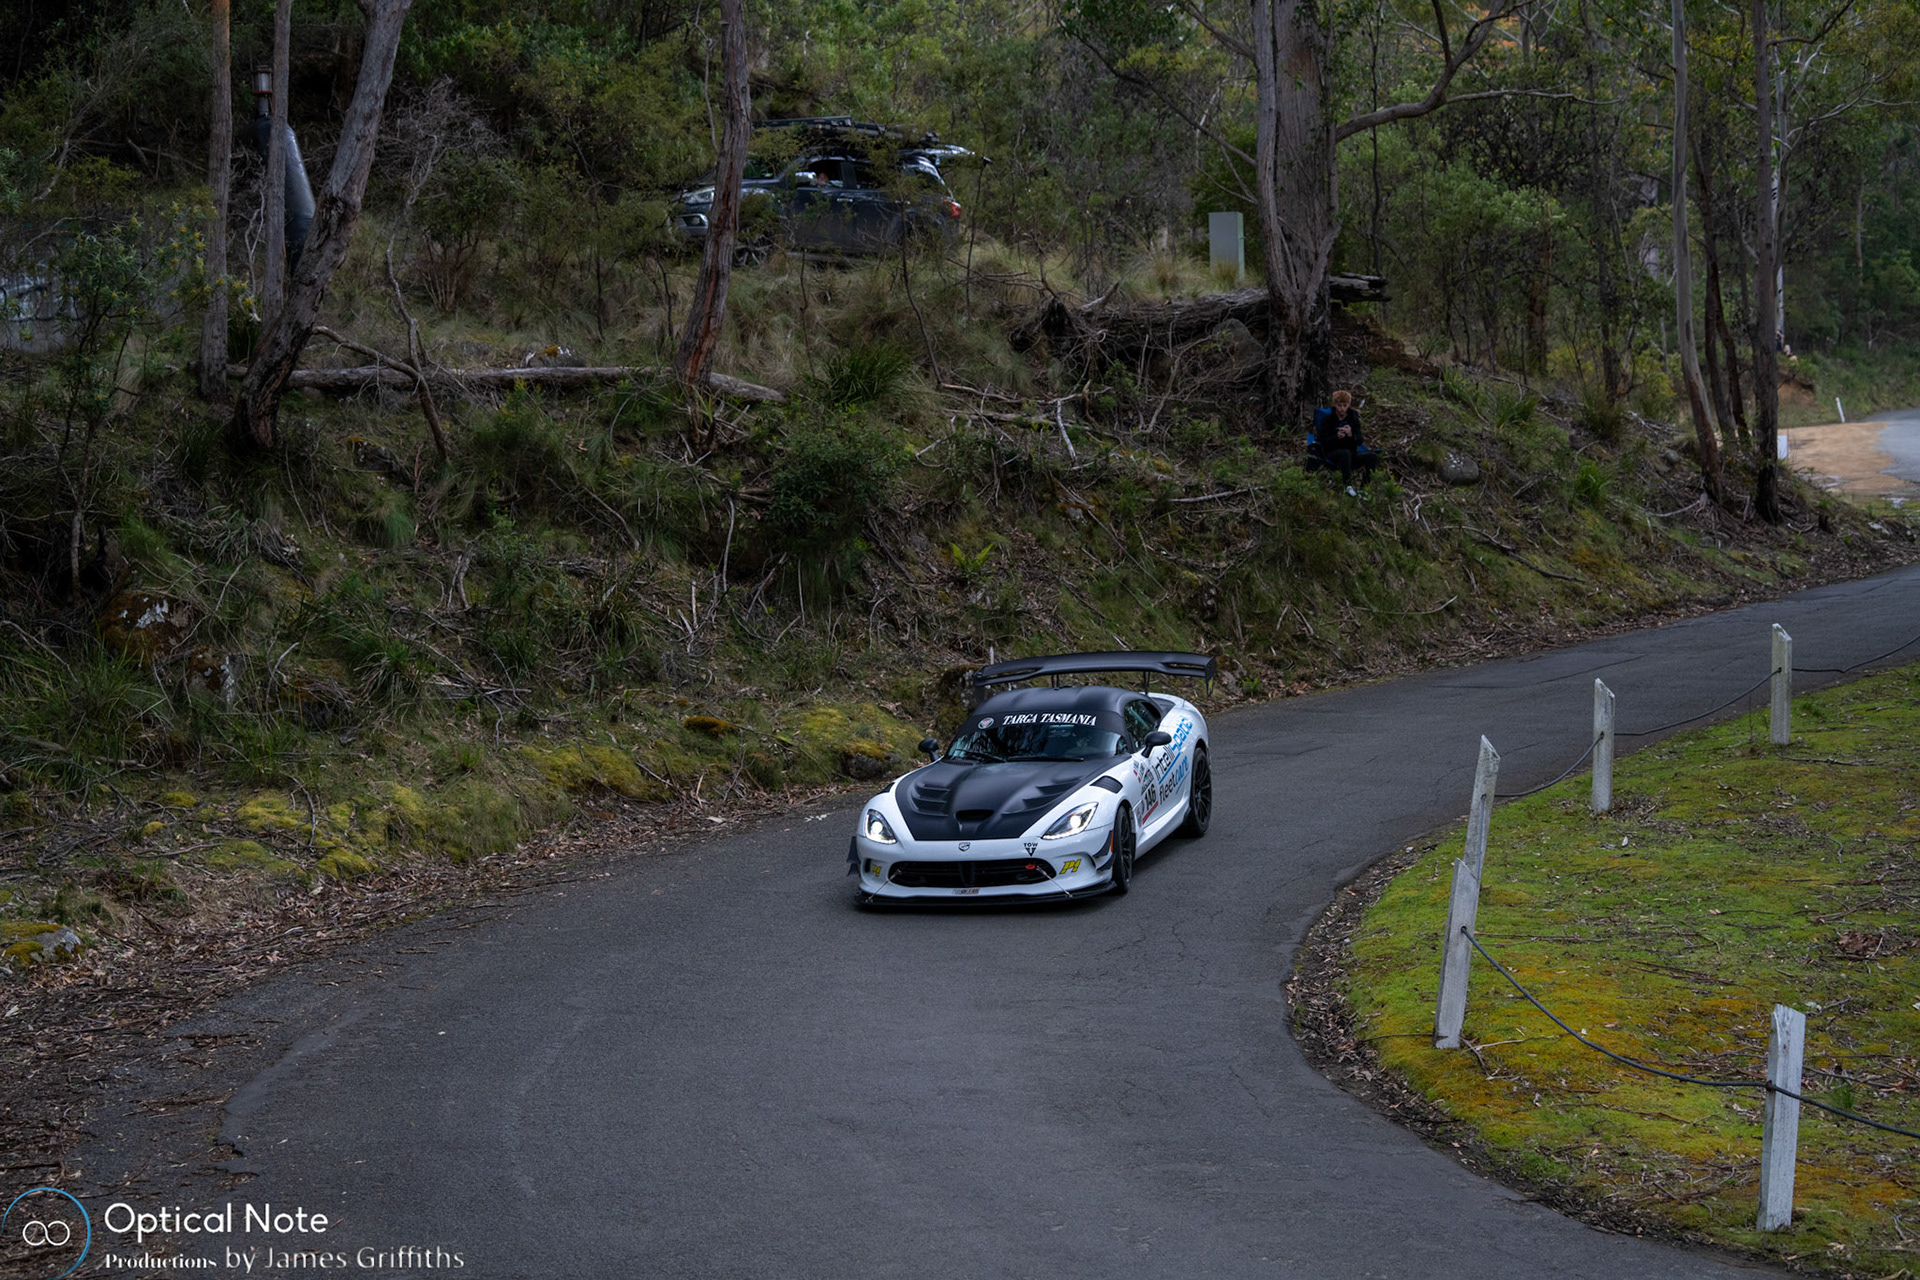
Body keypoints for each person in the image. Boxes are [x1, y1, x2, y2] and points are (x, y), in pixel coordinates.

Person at [1312, 389, 1375, 495]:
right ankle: (1347, 485)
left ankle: (1364, 489)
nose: (1342, 409)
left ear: (1349, 404)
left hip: (1352, 454)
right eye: (1339, 405)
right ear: (1335, 404)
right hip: (1333, 454)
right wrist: (1336, 437)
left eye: (1345, 405)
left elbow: (1359, 440)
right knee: (1344, 453)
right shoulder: (1328, 420)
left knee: (1372, 457)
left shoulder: (1353, 419)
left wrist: (1351, 435)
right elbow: (1322, 440)